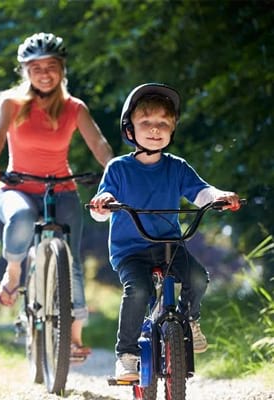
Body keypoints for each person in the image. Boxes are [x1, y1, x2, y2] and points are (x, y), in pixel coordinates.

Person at [87, 83, 241, 381]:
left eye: (163, 124)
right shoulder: (118, 169)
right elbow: (98, 210)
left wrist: (221, 196)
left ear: (172, 130)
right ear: (129, 129)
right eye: (146, 123)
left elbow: (202, 193)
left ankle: (190, 320)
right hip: (130, 249)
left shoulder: (177, 168)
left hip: (170, 245)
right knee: (139, 290)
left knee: (197, 277)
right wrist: (103, 205)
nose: (155, 130)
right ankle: (127, 355)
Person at [0, 32, 113, 358]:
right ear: (25, 70)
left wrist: (114, 169)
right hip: (16, 186)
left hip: (61, 188)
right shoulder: (11, 103)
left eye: (51, 65)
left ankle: (74, 338)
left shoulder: (73, 108)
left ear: (62, 69)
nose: (44, 72)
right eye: (36, 66)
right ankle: (13, 272)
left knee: (71, 259)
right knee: (22, 217)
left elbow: (98, 143)